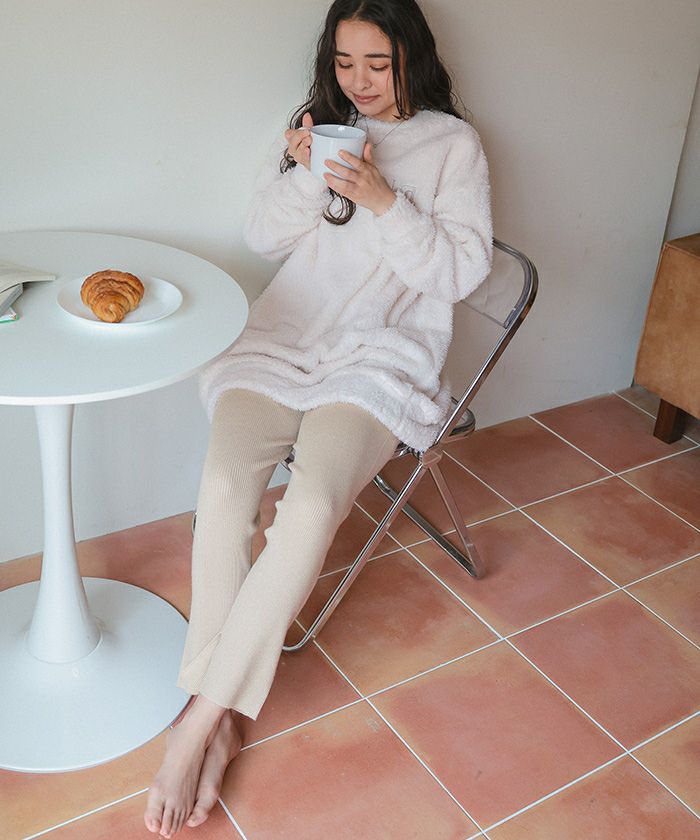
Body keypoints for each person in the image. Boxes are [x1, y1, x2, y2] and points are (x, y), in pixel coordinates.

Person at [144, 0, 492, 835]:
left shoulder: (455, 147)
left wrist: (385, 200)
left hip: (380, 359)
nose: (359, 82)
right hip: (284, 339)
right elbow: (263, 237)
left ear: (411, 56)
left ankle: (198, 721)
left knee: (308, 507)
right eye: (344, 62)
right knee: (224, 487)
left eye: (377, 63)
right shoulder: (318, 127)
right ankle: (220, 717)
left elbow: (459, 275)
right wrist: (306, 172)